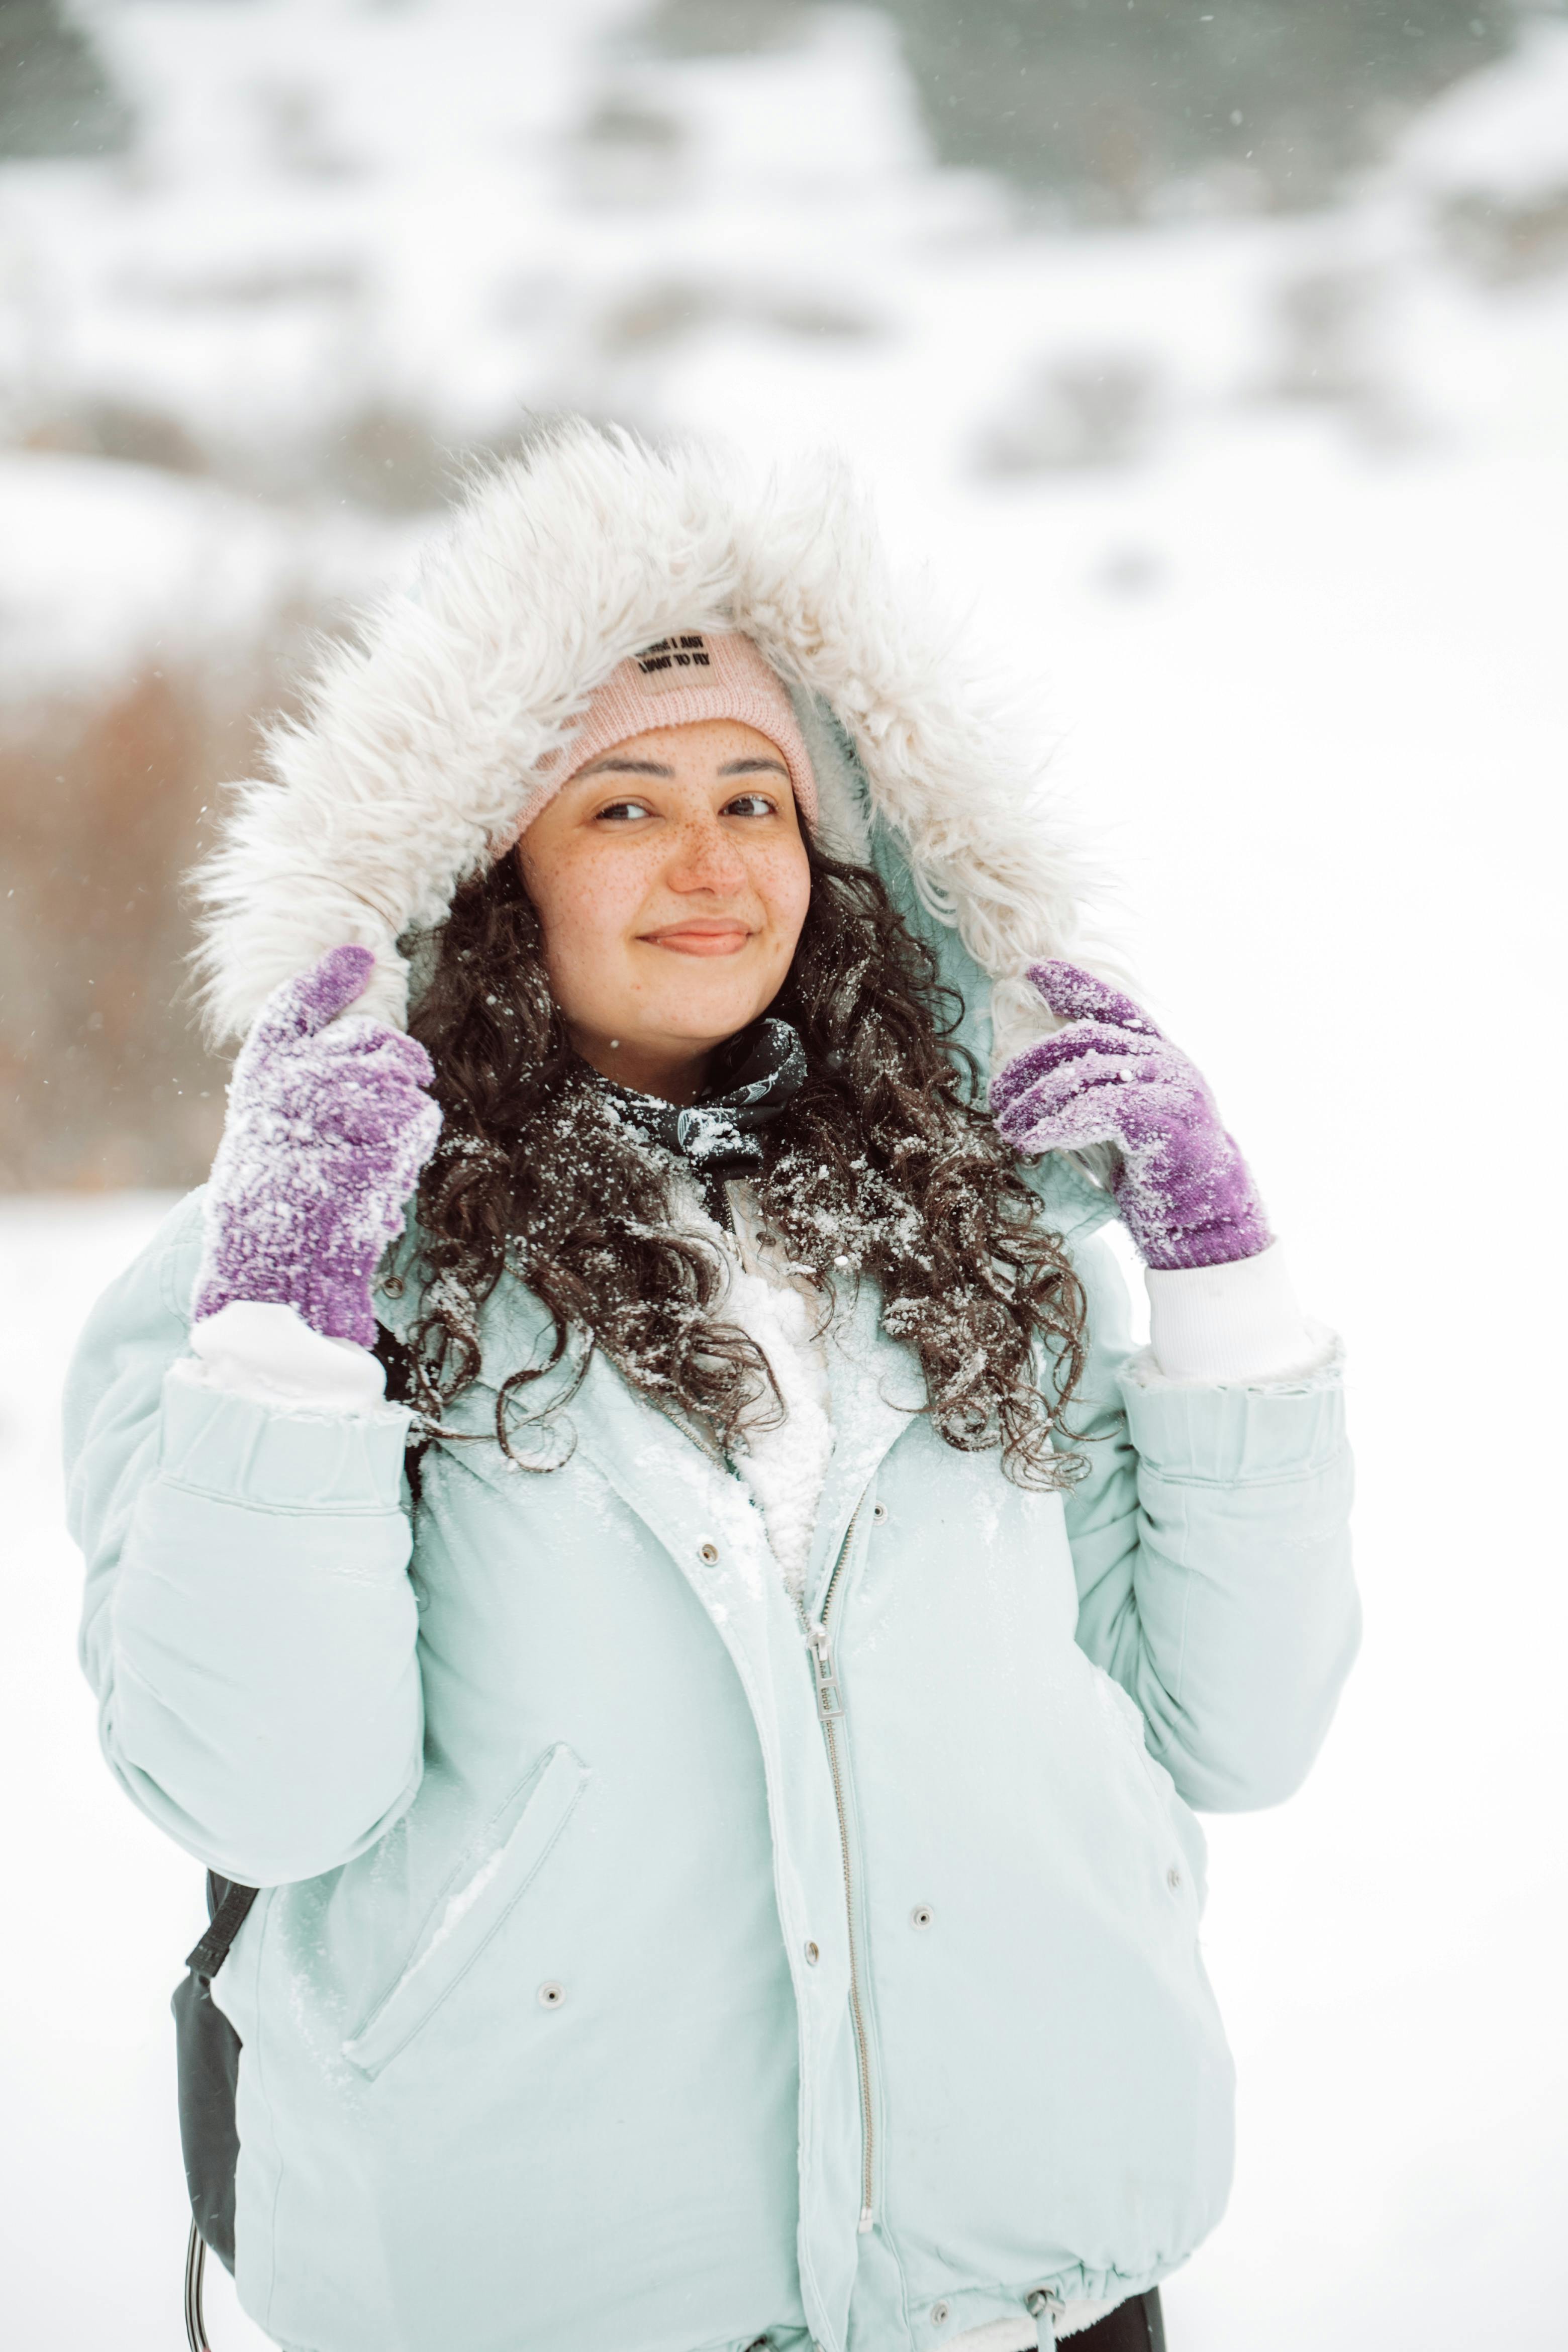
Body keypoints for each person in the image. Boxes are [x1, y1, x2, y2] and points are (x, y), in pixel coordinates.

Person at [64, 425, 1358, 2352]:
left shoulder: (987, 1245)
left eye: (757, 800)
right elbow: (269, 1788)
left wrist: (1218, 1279)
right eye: (622, 809)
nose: (711, 864)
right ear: (485, 872)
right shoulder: (293, 1275)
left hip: (1034, 2295)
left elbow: (1233, 1731)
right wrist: (285, 1326)